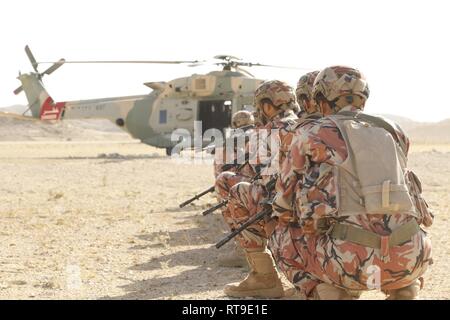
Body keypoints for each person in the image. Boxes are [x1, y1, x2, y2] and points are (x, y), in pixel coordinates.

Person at [271, 66, 433, 300]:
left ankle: (327, 292)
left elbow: (283, 201)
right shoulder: (395, 131)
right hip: (411, 258)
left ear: (322, 99)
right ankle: (405, 288)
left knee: (280, 234)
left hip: (348, 265)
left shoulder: (311, 133)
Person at [221, 80, 298, 298]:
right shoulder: (306, 124)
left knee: (235, 189)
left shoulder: (267, 131)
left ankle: (263, 275)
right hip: (315, 209)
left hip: (283, 210)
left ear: (266, 106)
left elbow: (256, 175)